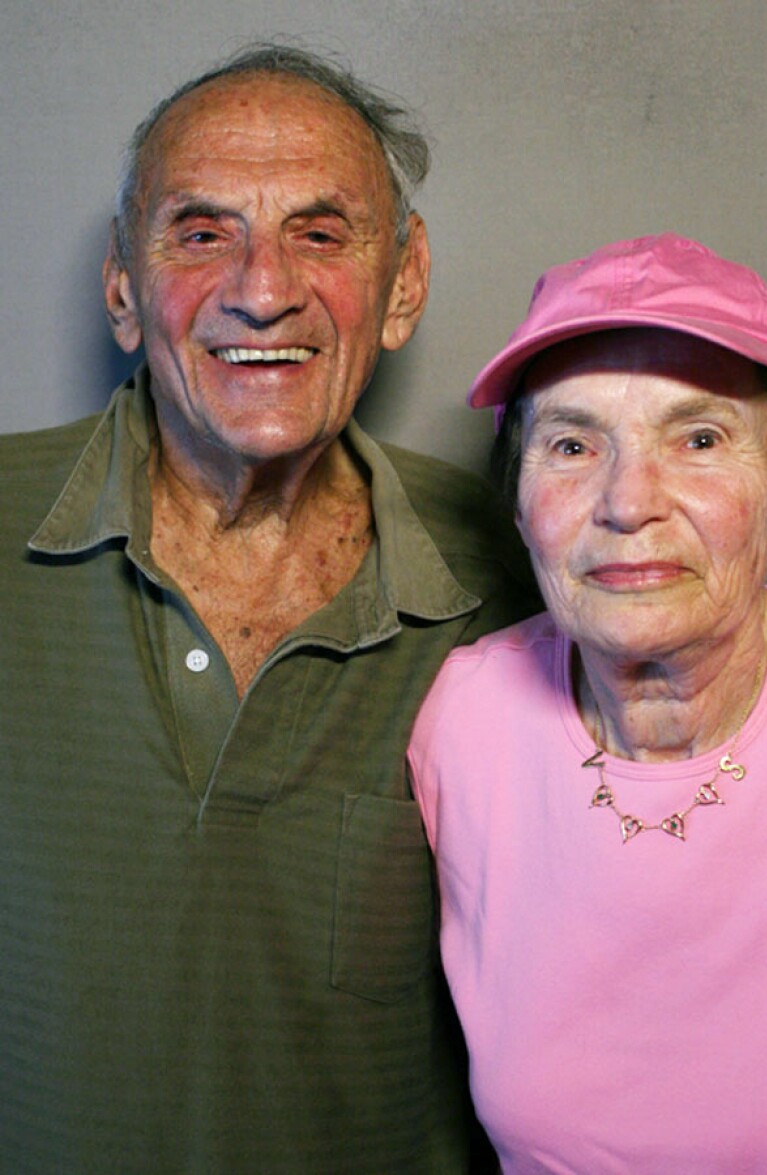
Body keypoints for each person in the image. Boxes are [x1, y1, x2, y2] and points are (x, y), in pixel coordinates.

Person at [0, 43, 538, 1173]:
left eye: (321, 232)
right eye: (201, 232)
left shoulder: (527, 564)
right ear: (121, 288)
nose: (260, 286)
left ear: (404, 285)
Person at [408, 233, 767, 1174]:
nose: (629, 501)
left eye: (699, 439)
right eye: (573, 444)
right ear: (518, 504)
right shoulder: (464, 719)